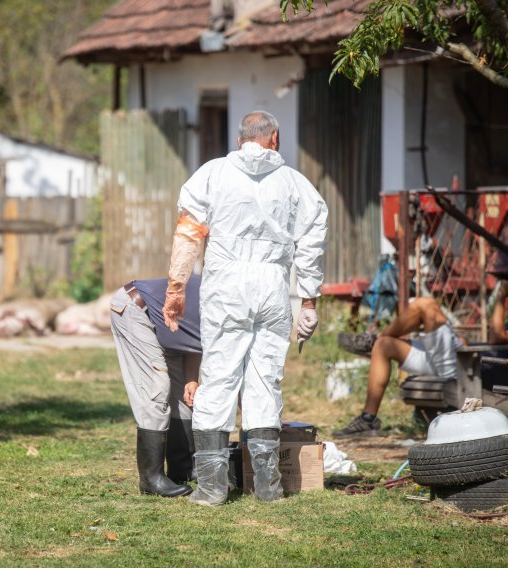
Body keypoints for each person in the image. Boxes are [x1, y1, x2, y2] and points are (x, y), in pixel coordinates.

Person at [162, 111, 328, 504]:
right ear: (274, 138)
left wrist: (176, 288)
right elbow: (312, 244)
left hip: (226, 285)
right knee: (265, 380)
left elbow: (189, 234)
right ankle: (268, 488)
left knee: (219, 376)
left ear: (241, 141)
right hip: (273, 286)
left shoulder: (212, 174)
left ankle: (211, 488)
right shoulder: (296, 184)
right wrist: (308, 299)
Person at [109, 275, 202, 497]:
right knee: (156, 387)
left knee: (183, 392)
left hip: (168, 324)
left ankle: (182, 467)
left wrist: (192, 379)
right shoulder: (221, 302)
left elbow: (197, 341)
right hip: (135, 308)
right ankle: (151, 479)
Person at [334, 297, 464, 437]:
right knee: (383, 345)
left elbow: (492, 337)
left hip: (461, 363)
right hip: (445, 358)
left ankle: (374, 339)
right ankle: (367, 419)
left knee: (425, 304)